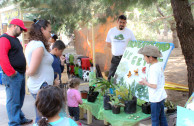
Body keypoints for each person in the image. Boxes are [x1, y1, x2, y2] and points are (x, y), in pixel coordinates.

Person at [0, 18, 33, 126]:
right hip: (13, 75)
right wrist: (11, 72)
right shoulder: (4, 39)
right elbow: (2, 57)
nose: (22, 32)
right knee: (13, 101)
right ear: (14, 26)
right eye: (21, 29)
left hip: (19, 74)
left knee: (19, 99)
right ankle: (14, 123)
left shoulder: (14, 39)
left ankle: (19, 117)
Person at [25, 19, 54, 123]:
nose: (51, 34)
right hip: (42, 86)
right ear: (42, 29)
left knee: (42, 117)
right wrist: (26, 71)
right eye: (49, 31)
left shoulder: (33, 43)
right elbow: (31, 70)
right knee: (43, 118)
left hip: (41, 85)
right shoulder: (38, 46)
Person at [138, 45, 168, 126]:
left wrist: (145, 82)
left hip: (156, 98)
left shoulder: (153, 69)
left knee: (154, 120)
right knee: (162, 117)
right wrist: (146, 82)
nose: (144, 58)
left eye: (144, 56)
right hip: (161, 96)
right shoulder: (158, 65)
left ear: (150, 57)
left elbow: (154, 86)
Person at [106, 15, 136, 81]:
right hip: (115, 58)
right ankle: (110, 90)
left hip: (126, 57)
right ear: (117, 21)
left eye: (124, 23)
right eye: (120, 22)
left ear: (126, 23)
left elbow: (134, 44)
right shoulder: (111, 31)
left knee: (126, 76)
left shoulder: (129, 32)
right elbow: (108, 43)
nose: (122, 24)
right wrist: (116, 48)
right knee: (112, 76)